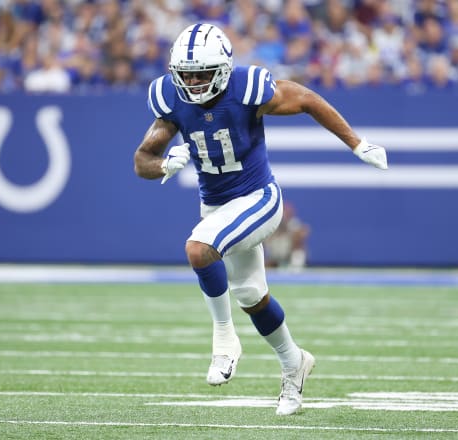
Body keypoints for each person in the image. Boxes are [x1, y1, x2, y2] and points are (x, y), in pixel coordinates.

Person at [133, 23, 388, 416]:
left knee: (199, 249)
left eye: (202, 74)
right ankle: (294, 362)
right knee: (252, 296)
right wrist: (165, 163)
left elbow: (306, 99)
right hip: (216, 207)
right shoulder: (170, 98)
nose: (194, 83)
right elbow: (142, 160)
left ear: (222, 69)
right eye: (187, 75)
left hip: (258, 198)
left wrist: (357, 143)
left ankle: (224, 340)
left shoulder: (246, 88)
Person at [264, 201, 310, 270]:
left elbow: (303, 232)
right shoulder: (271, 224)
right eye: (283, 213)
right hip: (274, 256)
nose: (284, 216)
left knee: (298, 252)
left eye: (286, 214)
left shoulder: (293, 224)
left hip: (289, 254)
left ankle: (296, 271)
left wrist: (295, 235)